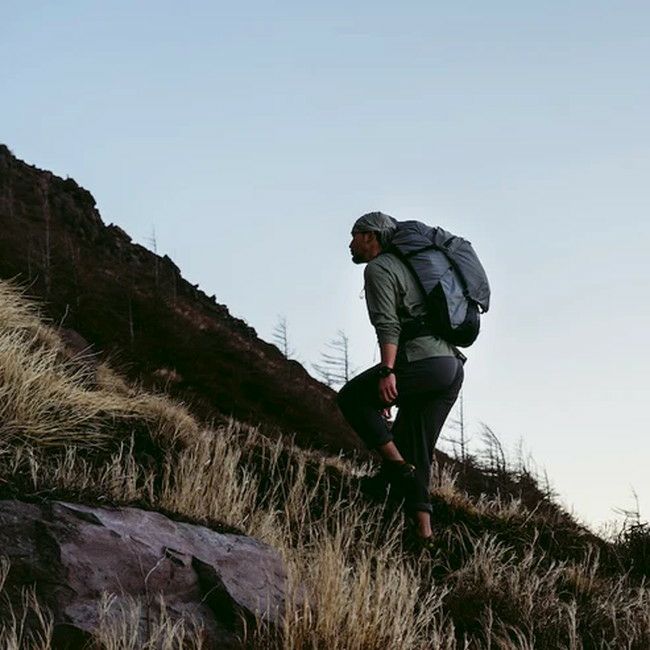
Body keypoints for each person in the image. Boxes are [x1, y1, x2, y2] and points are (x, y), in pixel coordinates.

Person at [337, 211, 464, 546]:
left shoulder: (379, 268)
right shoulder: (414, 267)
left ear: (370, 236)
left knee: (351, 398)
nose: (350, 243)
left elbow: (388, 324)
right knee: (416, 445)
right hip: (451, 368)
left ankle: (395, 468)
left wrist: (387, 372)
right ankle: (424, 532)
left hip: (423, 360)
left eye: (355, 234)